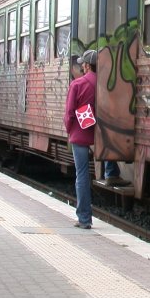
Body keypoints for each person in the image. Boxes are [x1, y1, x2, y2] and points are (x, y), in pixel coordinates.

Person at [63, 49, 98, 229]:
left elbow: (69, 113)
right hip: (102, 136)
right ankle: (111, 172)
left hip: (80, 135)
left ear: (86, 65)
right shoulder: (104, 84)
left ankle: (84, 218)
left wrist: (70, 130)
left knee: (82, 174)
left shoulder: (77, 84)